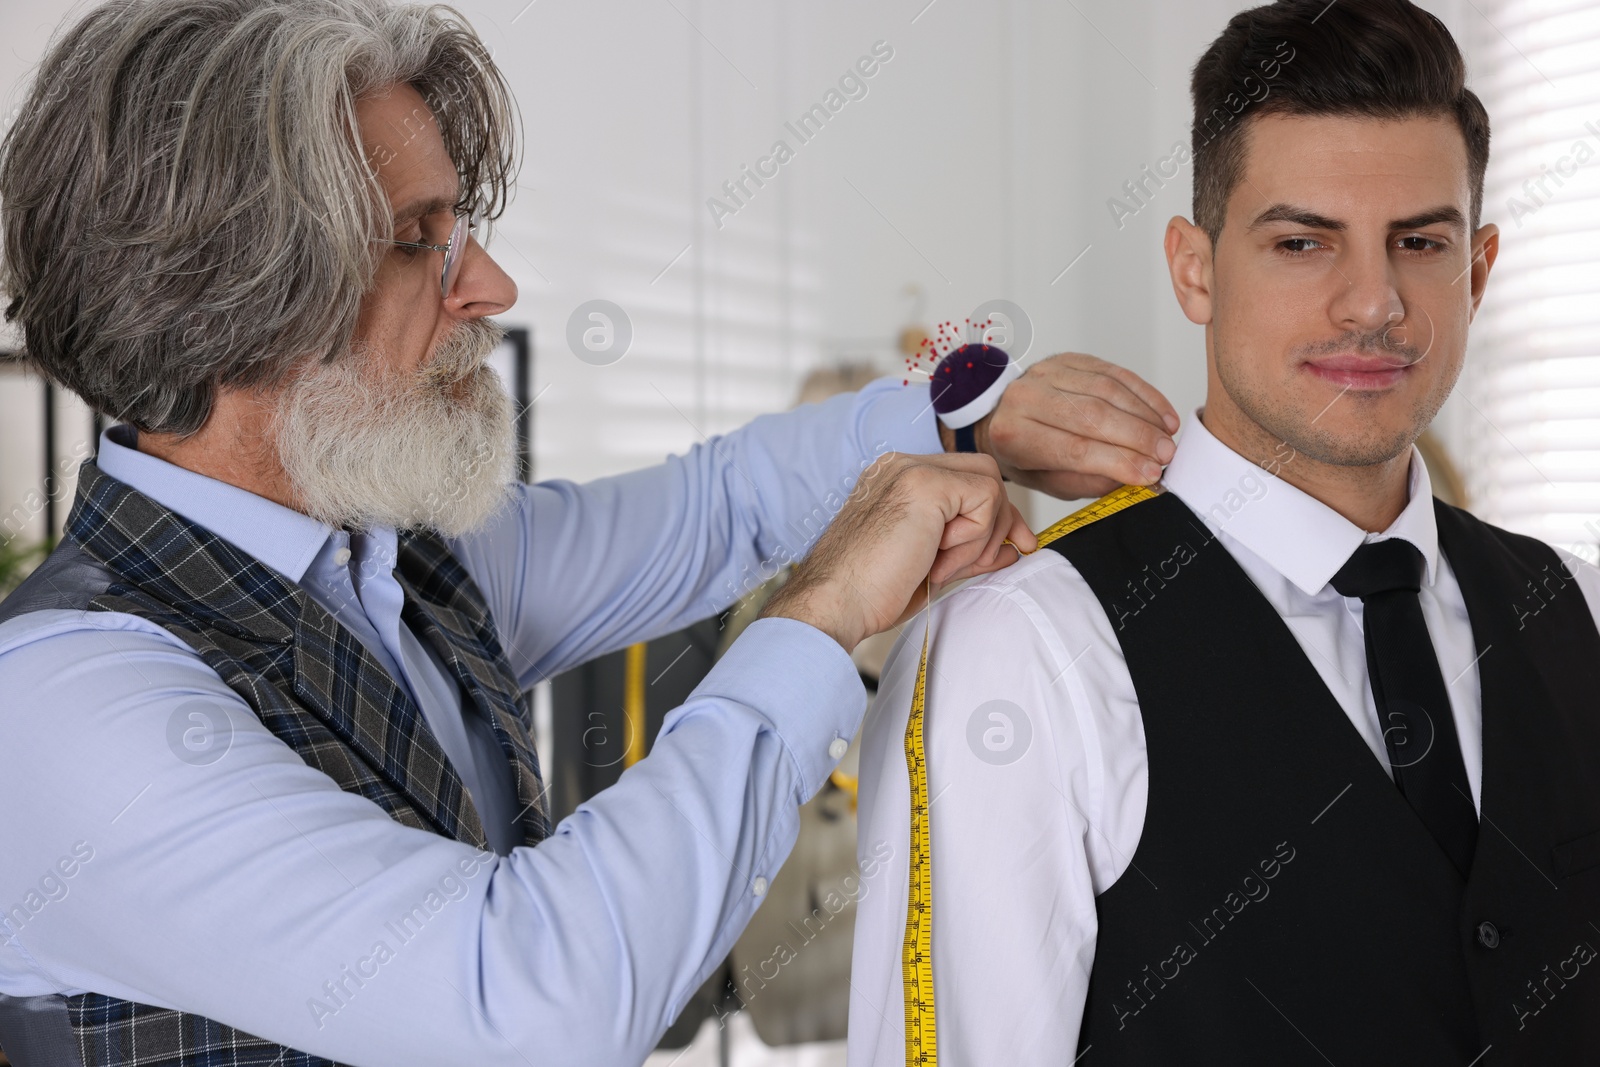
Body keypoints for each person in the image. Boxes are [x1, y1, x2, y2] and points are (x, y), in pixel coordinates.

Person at [0, 2, 1179, 1065]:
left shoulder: (395, 564)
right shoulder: (64, 710)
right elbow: (531, 998)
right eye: (421, 240)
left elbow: (719, 506)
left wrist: (963, 412)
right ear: (232, 297)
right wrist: (818, 614)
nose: (493, 287)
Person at [850, 1, 1600, 1063]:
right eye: (1302, 241)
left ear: (1474, 270)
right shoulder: (1028, 647)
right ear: (1194, 268)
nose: (1372, 304)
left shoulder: (1576, 607)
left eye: (1418, 242)